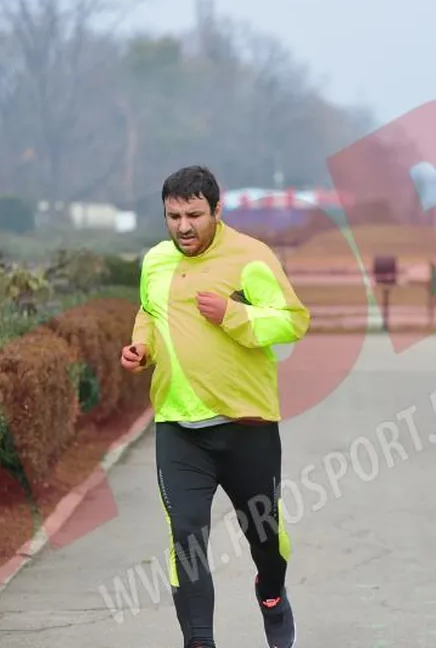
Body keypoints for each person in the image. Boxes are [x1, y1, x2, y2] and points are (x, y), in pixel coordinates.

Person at [120, 165, 310, 648]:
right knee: (185, 538)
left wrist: (234, 315)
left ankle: (271, 593)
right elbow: (149, 312)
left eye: (194, 215)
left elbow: (292, 321)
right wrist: (142, 348)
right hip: (179, 428)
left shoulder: (251, 257)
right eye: (174, 216)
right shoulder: (156, 261)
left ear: (217, 210)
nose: (183, 227)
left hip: (246, 427)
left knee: (266, 539)